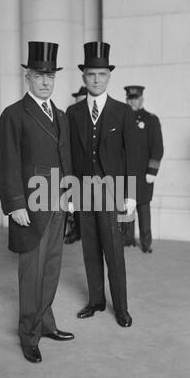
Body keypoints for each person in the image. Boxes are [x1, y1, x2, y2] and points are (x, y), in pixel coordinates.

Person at [0, 41, 74, 364]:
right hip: (30, 207)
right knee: (32, 273)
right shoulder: (14, 114)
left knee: (52, 268)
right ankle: (28, 333)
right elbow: (6, 163)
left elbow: (65, 157)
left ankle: (46, 323)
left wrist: (69, 197)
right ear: (27, 76)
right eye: (39, 75)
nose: (45, 82)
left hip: (57, 204)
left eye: (50, 76)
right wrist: (16, 205)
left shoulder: (61, 115)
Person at [66, 42, 138, 328]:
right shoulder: (73, 113)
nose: (96, 79)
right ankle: (96, 300)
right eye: (91, 74)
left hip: (111, 193)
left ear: (109, 77)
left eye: (102, 74)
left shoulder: (122, 112)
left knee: (114, 252)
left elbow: (132, 156)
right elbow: (69, 155)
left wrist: (130, 196)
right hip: (83, 192)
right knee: (90, 249)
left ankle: (120, 307)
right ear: (83, 77)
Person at [121, 86, 164, 253]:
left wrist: (152, 171)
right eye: (130, 98)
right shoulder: (121, 119)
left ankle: (146, 243)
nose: (132, 101)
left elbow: (157, 147)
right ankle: (127, 238)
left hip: (143, 173)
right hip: (126, 172)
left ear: (142, 99)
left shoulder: (151, 120)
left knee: (143, 208)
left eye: (135, 98)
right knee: (126, 206)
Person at [64, 87, 87, 245]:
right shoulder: (70, 115)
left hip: (92, 171)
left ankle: (88, 234)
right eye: (78, 99)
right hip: (74, 167)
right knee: (74, 204)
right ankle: (75, 231)